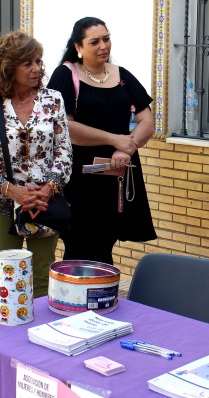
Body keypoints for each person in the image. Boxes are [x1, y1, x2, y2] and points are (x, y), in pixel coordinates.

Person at [47, 17, 156, 265]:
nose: (103, 45)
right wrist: (115, 139)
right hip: (79, 178)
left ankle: (101, 298)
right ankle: (75, 299)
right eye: (94, 41)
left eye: (106, 38)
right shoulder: (65, 74)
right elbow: (65, 127)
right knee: (79, 242)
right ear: (78, 46)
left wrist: (127, 149)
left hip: (115, 176)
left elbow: (147, 121)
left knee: (105, 240)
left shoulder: (122, 75)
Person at [0, 30, 72, 298]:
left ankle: (38, 337)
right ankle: (4, 338)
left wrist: (48, 188)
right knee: (7, 279)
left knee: (42, 277)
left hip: (45, 203)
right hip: (3, 204)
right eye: (28, 63)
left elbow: (64, 153)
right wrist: (13, 192)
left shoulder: (53, 100)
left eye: (39, 62)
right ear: (7, 68)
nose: (37, 69)